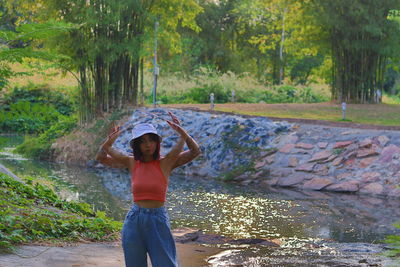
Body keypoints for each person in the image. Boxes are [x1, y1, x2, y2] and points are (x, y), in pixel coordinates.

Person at [96, 112, 201, 267]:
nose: (148, 145)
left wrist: (182, 132)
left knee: (166, 264)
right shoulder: (131, 162)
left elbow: (195, 151)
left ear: (156, 143)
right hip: (134, 220)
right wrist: (109, 140)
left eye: (151, 140)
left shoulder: (166, 163)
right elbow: (101, 157)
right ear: (137, 145)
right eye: (143, 141)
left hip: (157, 219)